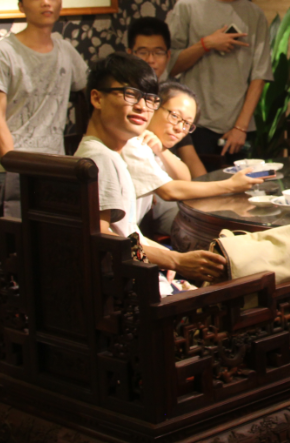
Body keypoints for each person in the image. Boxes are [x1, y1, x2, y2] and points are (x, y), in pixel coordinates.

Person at [74, 52, 227, 292]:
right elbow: (102, 239)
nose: (142, 107)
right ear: (97, 98)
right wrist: (175, 260)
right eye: (130, 94)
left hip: (143, 281)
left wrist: (167, 258)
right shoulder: (101, 157)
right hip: (135, 295)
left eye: (149, 99)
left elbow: (128, 236)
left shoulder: (110, 153)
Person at [0, 0, 88, 216]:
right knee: (16, 236)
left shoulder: (66, 51)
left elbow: (89, 92)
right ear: (21, 6)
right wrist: (13, 165)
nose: (46, 2)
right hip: (12, 168)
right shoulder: (2, 52)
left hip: (55, 166)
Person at [166, 0, 272, 160]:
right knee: (197, 181)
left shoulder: (255, 15)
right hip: (195, 122)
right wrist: (206, 44)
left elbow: (259, 76)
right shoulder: (187, 7)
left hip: (239, 128)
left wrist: (241, 127)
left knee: (242, 183)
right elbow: (171, 65)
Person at [121, 80, 268, 238]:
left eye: (187, 124)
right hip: (122, 238)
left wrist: (162, 150)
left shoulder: (154, 144)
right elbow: (168, 191)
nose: (179, 128)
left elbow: (185, 178)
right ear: (153, 107)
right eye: (174, 116)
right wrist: (230, 185)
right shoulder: (134, 141)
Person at [129, 17, 207, 178]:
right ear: (130, 54)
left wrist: (210, 189)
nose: (150, 60)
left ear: (168, 55)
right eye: (143, 52)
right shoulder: (125, 101)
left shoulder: (172, 98)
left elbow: (190, 159)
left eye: (158, 52)